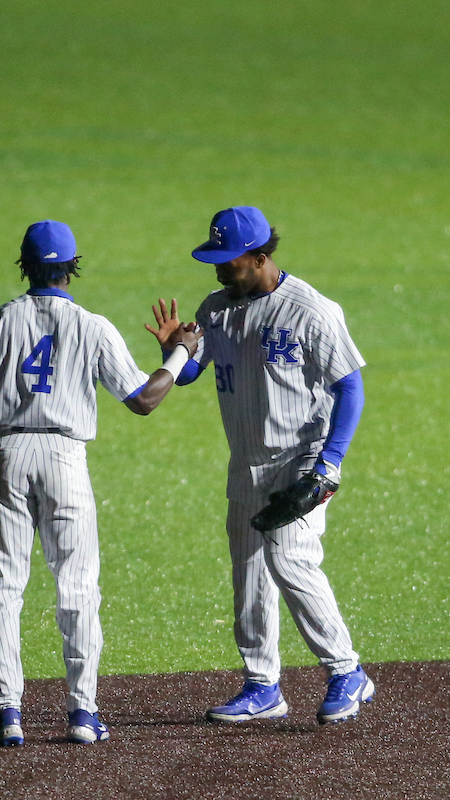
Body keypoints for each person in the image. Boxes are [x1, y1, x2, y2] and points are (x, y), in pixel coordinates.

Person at [0, 220, 198, 746]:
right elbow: (143, 401)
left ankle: (7, 714)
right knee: (77, 587)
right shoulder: (93, 326)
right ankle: (83, 714)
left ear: (25, 266)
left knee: (0, 589)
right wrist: (180, 353)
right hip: (65, 459)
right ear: (71, 269)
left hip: (8, 458)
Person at [149, 206, 373, 725]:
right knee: (249, 571)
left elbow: (350, 386)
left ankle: (347, 671)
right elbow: (189, 375)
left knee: (291, 560)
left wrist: (330, 465)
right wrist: (173, 353)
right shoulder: (215, 309)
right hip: (246, 462)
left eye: (229, 261)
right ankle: (261, 685)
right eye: (216, 259)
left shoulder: (310, 310)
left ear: (260, 256)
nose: (220, 269)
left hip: (302, 462)